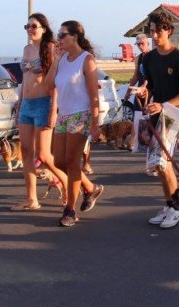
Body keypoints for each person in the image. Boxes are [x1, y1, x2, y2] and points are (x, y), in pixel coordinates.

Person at [135, 12, 179, 229]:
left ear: (168, 30)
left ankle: (177, 208)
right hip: (157, 113)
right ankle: (170, 204)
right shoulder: (149, 58)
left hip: (175, 114)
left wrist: (164, 104)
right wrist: (144, 92)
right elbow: (149, 85)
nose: (154, 35)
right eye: (151, 31)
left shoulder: (178, 57)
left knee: (164, 162)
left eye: (158, 30)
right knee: (160, 166)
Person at [46, 21, 105, 227]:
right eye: (58, 35)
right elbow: (47, 86)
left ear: (75, 37)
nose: (59, 39)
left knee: (71, 163)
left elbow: (93, 95)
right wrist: (55, 61)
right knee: (59, 161)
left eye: (62, 35)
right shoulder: (62, 60)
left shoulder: (86, 60)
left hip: (81, 116)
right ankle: (90, 187)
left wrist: (95, 124)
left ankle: (70, 209)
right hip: (64, 115)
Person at [11, 13, 68, 212]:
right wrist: (19, 103)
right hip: (26, 104)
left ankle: (68, 184)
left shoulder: (50, 48)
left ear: (44, 28)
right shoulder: (26, 49)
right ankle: (31, 198)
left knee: (43, 155)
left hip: (44, 103)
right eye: (27, 26)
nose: (30, 30)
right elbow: (24, 79)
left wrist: (53, 110)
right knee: (26, 151)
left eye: (34, 26)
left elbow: (55, 83)